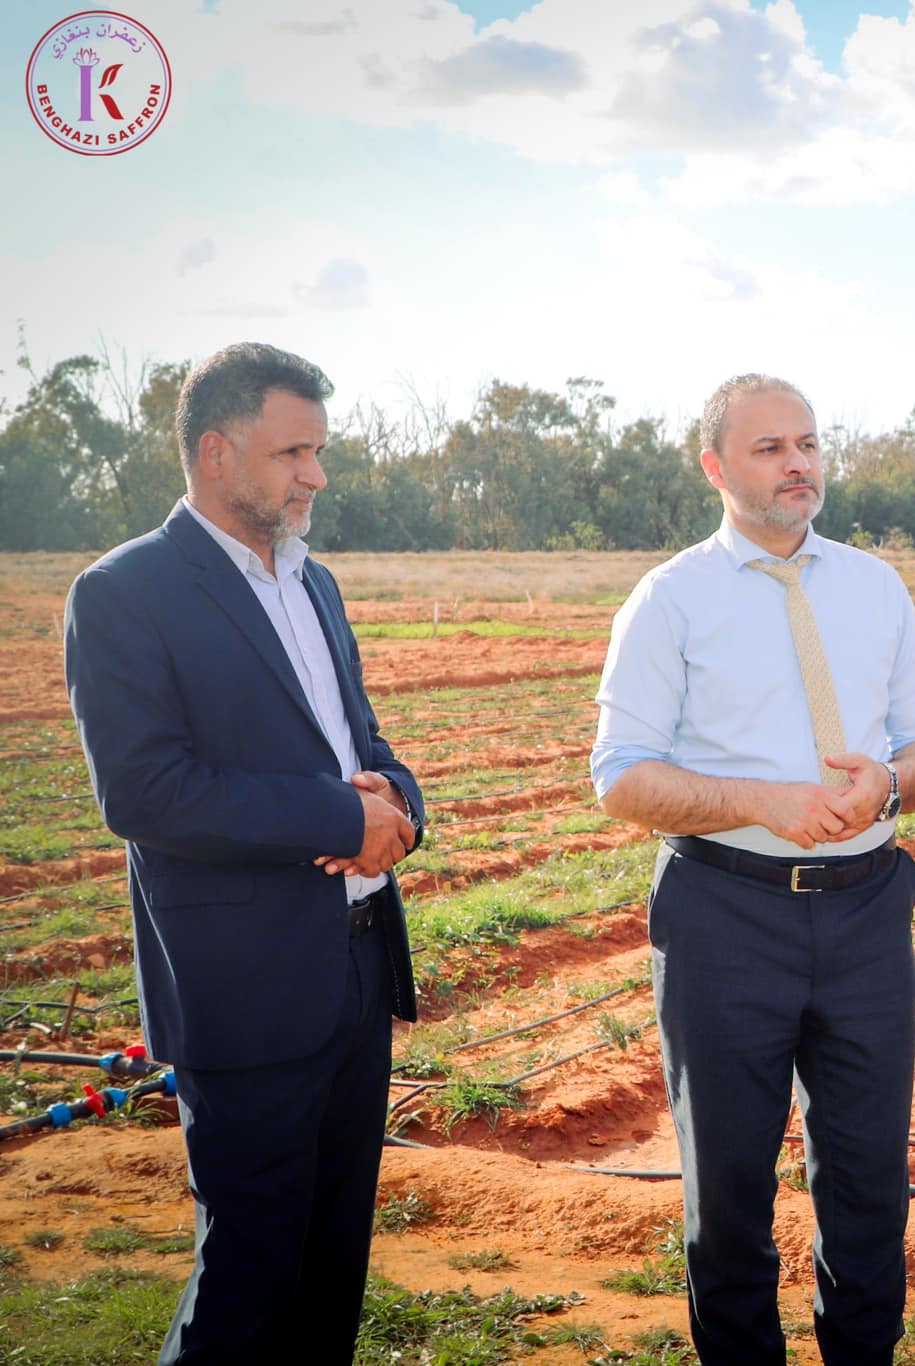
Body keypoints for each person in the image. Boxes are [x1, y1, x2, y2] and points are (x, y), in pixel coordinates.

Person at [63, 342, 424, 1364]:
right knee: (252, 1273)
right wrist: (334, 820)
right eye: (293, 452)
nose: (315, 474)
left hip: (355, 967)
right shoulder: (125, 591)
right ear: (216, 453)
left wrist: (398, 800)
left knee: (330, 1272)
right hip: (245, 986)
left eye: (318, 450)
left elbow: (365, 749)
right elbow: (144, 791)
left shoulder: (317, 583)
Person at [590, 374, 915, 1365]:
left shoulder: (874, 585)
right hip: (724, 915)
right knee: (729, 1201)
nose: (798, 463)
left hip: (866, 913)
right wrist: (760, 799)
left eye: (806, 443)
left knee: (870, 1186)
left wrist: (887, 783)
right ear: (715, 468)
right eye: (769, 448)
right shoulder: (670, 599)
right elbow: (619, 776)